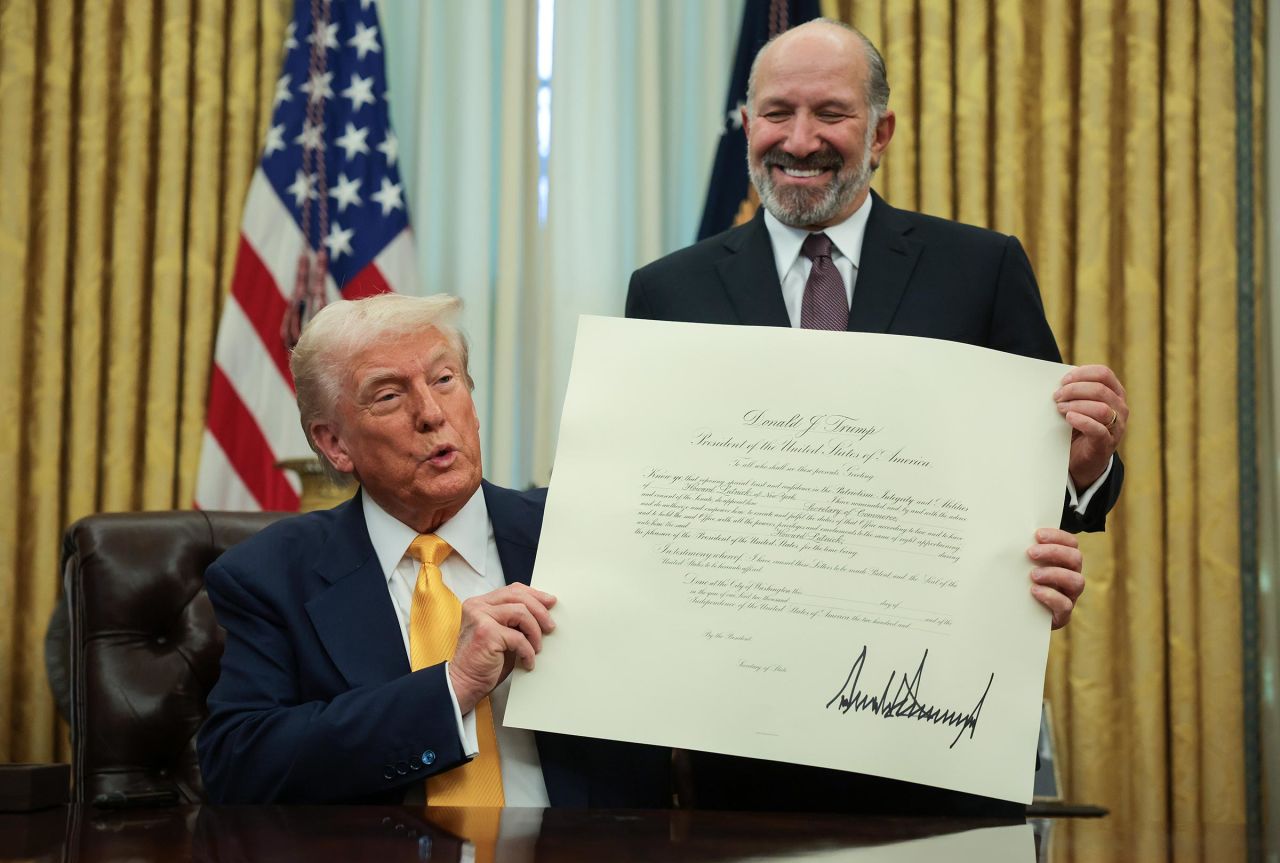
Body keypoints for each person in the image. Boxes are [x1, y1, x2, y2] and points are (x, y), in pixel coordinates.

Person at [626, 18, 1123, 815]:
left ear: (881, 130)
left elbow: (1056, 477)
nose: (800, 138)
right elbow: (645, 499)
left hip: (940, 735)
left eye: (831, 113)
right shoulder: (666, 291)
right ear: (747, 124)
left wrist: (1087, 467)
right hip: (747, 746)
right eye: (777, 112)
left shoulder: (981, 268)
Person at [197, 293, 671, 806]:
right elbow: (239, 764)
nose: (431, 413)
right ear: (335, 444)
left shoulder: (586, 534)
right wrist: (453, 686)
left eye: (445, 380)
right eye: (388, 396)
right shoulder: (269, 575)